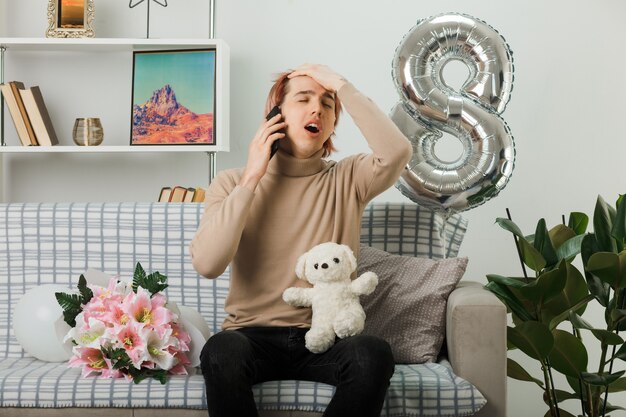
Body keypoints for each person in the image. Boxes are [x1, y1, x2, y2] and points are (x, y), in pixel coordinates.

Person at [189, 63, 413, 417]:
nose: (317, 110)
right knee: (220, 351)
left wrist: (344, 87)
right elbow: (208, 263)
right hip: (251, 338)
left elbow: (397, 151)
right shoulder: (232, 183)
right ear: (274, 117)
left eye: (327, 104)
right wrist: (252, 177)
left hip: (326, 336)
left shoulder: (349, 178)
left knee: (372, 353)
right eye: (304, 99)